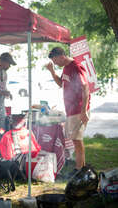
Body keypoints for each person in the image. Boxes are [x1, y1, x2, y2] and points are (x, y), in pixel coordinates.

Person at [45, 47, 90, 175]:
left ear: (61, 56)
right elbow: (61, 84)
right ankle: (82, 169)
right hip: (71, 110)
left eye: (56, 61)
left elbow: (85, 88)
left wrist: (84, 111)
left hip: (78, 109)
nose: (56, 64)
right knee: (75, 139)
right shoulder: (65, 68)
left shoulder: (76, 67)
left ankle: (79, 170)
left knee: (77, 140)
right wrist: (52, 72)